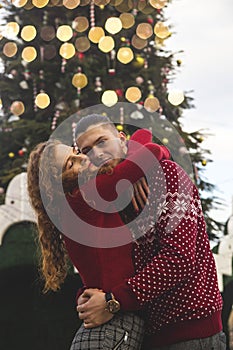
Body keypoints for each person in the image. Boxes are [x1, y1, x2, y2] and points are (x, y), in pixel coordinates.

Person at [74, 114, 226, 350]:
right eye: (86, 151)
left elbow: (179, 258)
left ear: (122, 140)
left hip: (189, 330)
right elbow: (110, 265)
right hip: (143, 334)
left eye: (102, 142)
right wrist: (88, 297)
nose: (97, 153)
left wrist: (112, 301)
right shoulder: (106, 201)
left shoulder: (167, 174)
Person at [27, 128, 169, 349]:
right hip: (113, 323)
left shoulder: (71, 204)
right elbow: (149, 147)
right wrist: (136, 164)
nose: (83, 159)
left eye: (76, 153)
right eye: (71, 164)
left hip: (106, 322)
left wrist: (132, 171)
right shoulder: (88, 192)